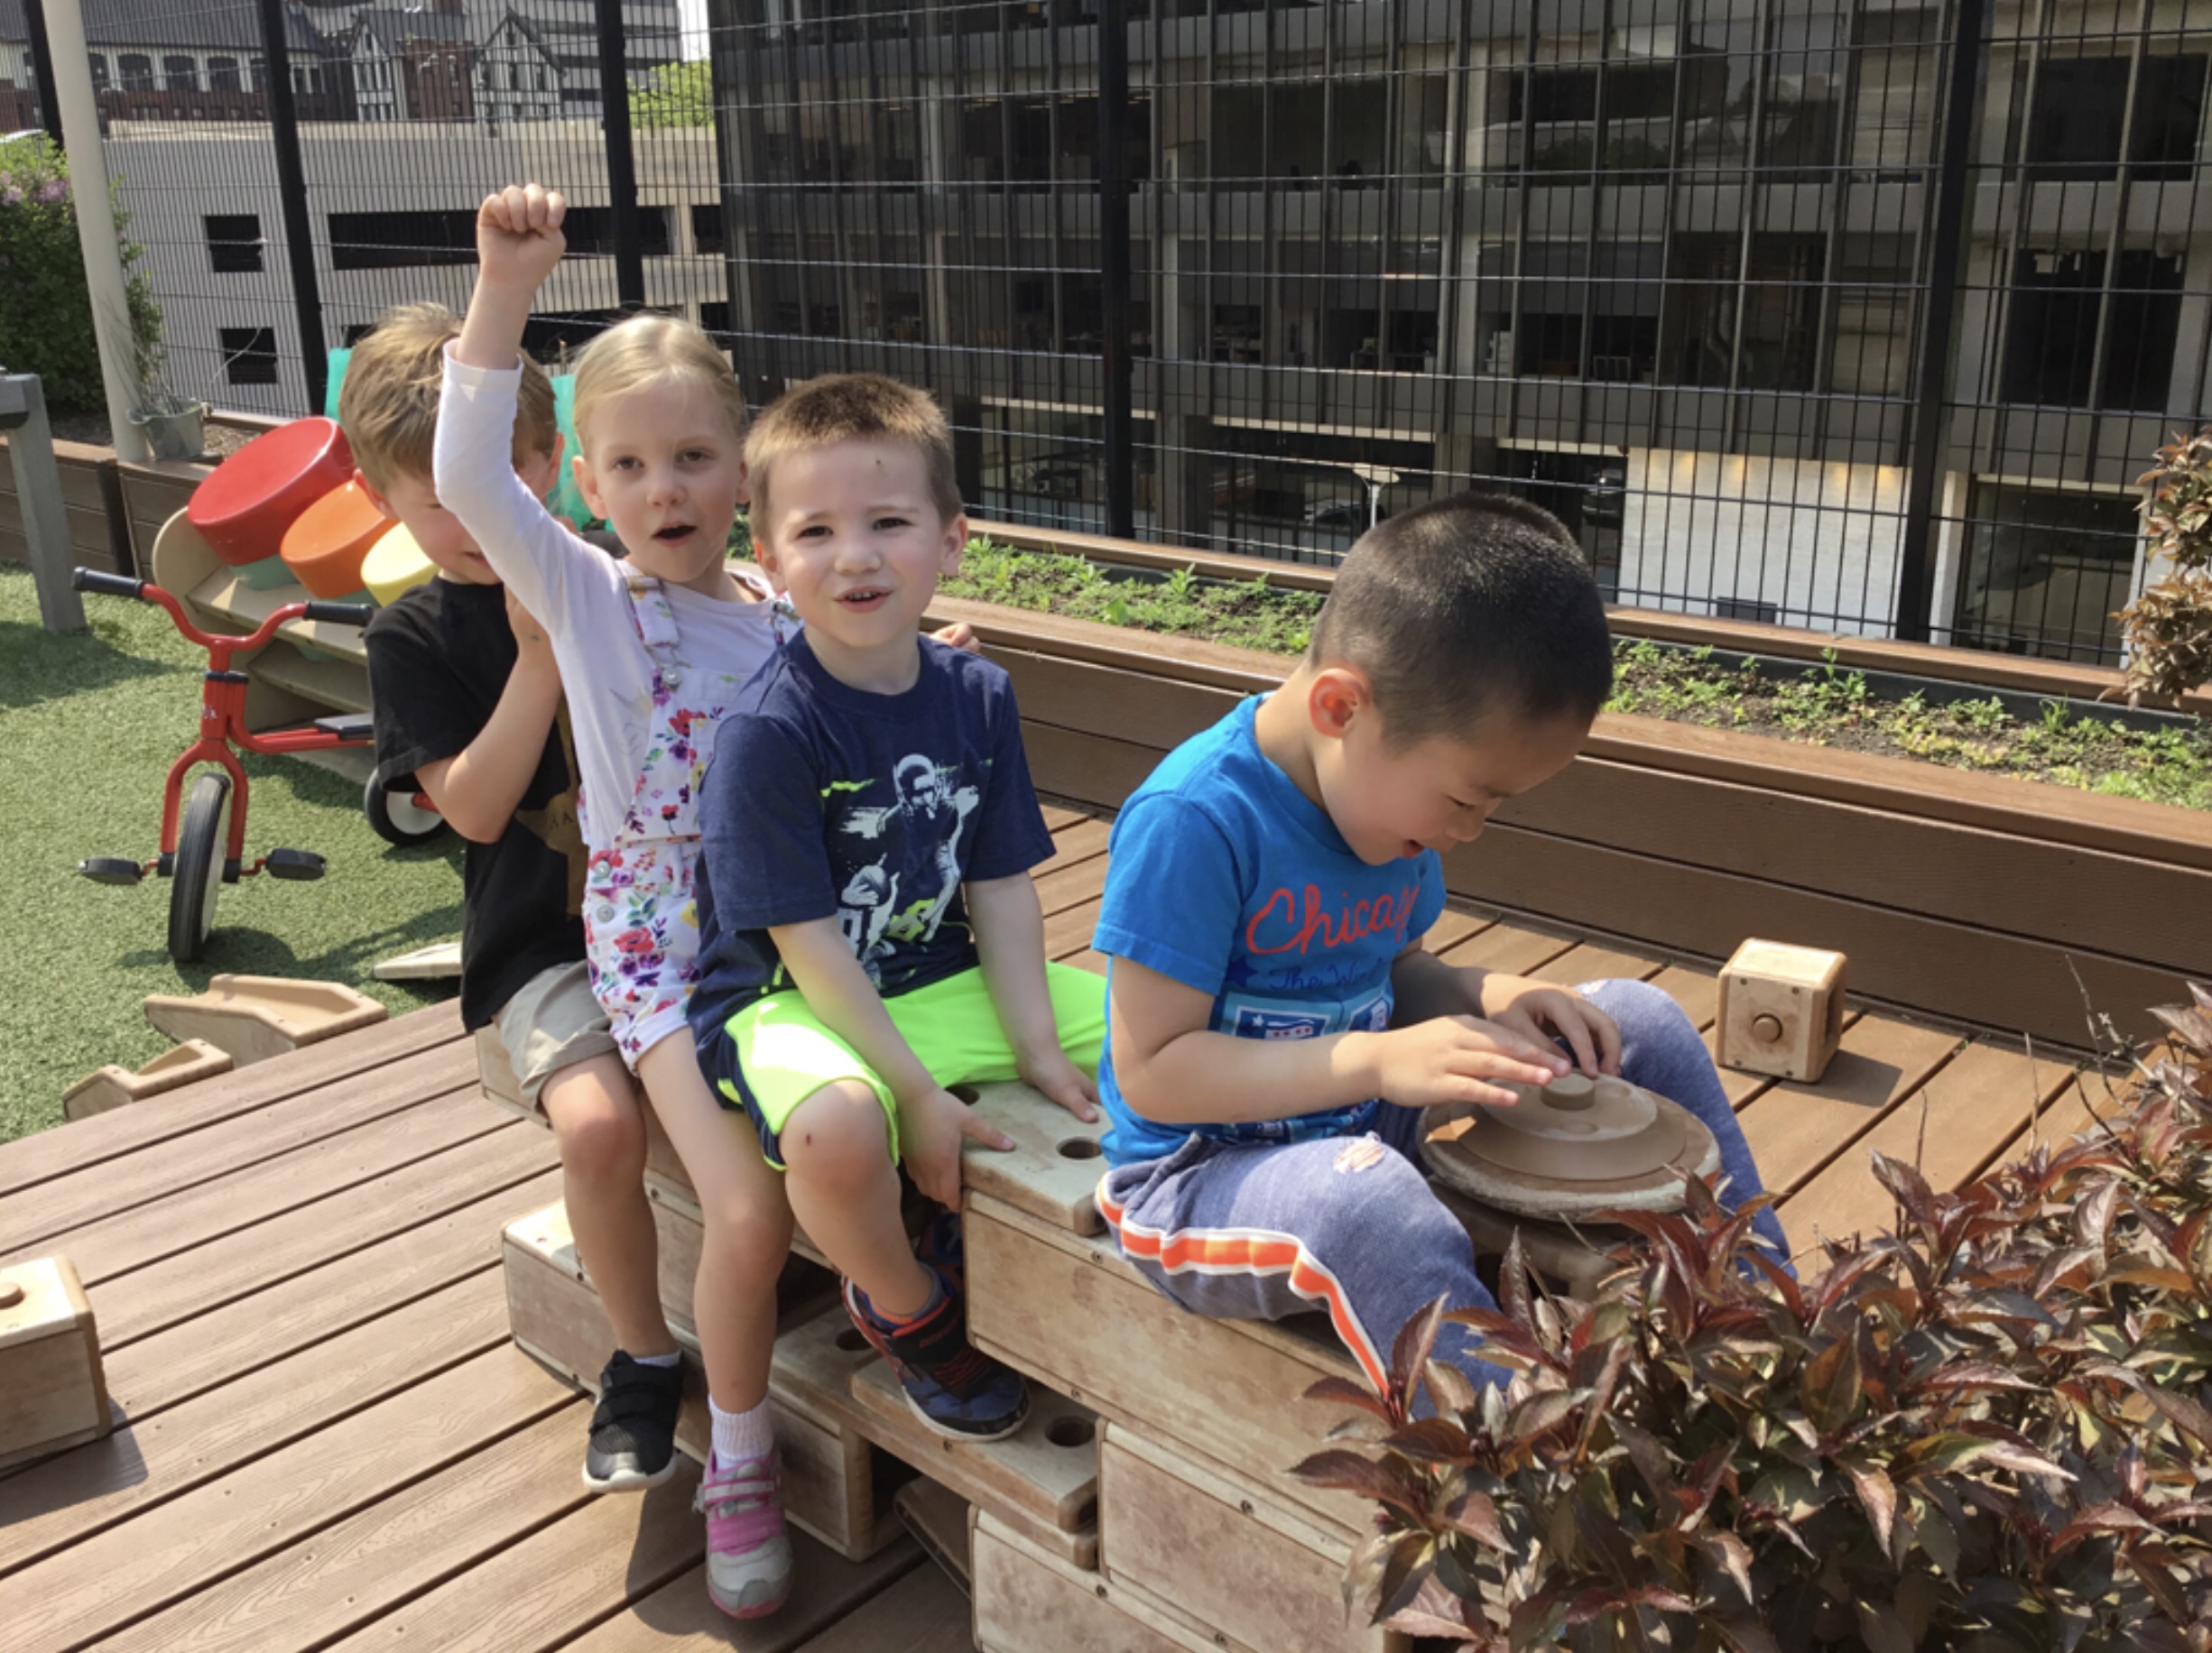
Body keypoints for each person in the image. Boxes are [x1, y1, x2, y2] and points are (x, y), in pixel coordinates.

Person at [1090, 492, 1790, 1399]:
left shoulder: (1388, 814)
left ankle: (1767, 1322)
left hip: (1363, 1122)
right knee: (1371, 1201)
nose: (1471, 831)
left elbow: (1396, 971)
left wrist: (1487, 996)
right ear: (1341, 707)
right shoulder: (1195, 821)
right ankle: (1516, 1450)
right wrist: (1379, 1062)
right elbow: (1154, 1070)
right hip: (1203, 1177)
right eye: (1466, 798)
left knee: (1637, 1018)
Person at [686, 370, 1104, 1475]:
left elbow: (1000, 881)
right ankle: (907, 1304)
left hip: (938, 973)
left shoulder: (978, 695)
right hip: (788, 1000)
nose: (855, 556)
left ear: (952, 539)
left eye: (887, 521)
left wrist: (1038, 1043)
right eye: (815, 530)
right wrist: (915, 1096)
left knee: (1158, 1021)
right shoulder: (768, 732)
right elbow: (805, 942)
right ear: (768, 558)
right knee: (837, 1130)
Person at [350, 301, 687, 1496]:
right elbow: (478, 810)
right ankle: (643, 1356)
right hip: (543, 939)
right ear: (384, 500)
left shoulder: (630, 580)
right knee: (599, 1125)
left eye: (495, 482)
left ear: (551, 463)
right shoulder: (413, 635)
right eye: (436, 498)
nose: (468, 521)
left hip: (685, 920)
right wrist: (540, 658)